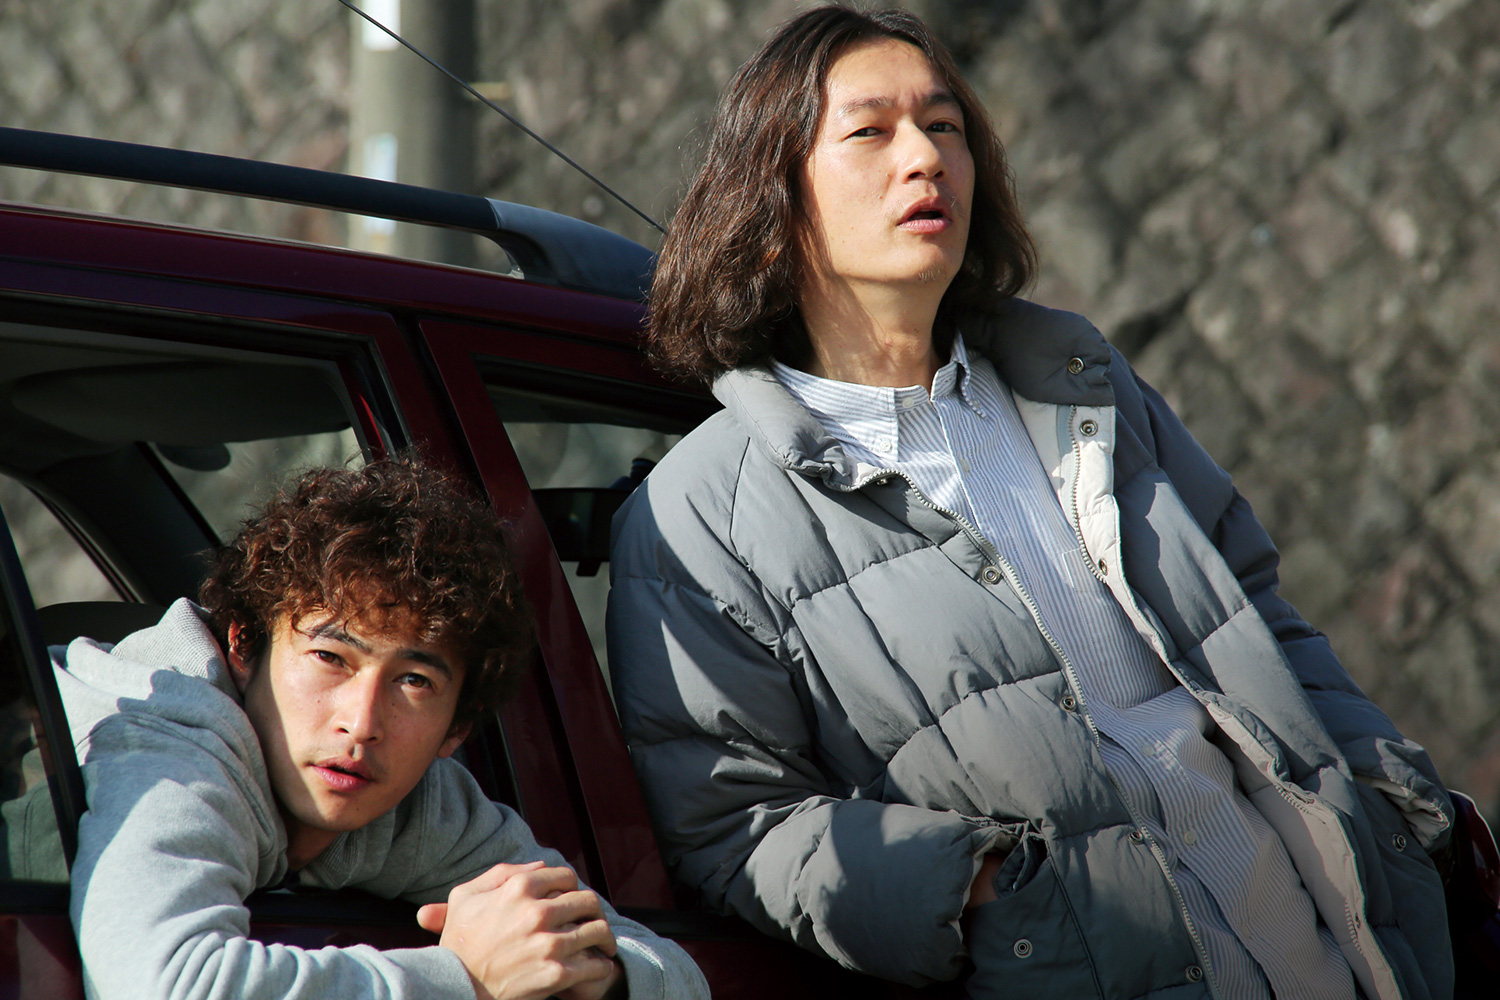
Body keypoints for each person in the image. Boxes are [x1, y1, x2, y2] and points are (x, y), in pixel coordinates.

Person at [606, 5, 1454, 999]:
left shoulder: (1080, 385)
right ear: (773, 195)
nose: (925, 157)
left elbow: (1257, 614)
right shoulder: (702, 515)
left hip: (1334, 946)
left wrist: (1389, 789)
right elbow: (731, 823)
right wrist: (983, 892)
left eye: (945, 125)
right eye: (871, 131)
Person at [45, 457, 708, 1000]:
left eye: (413, 681)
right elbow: (162, 986)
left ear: (457, 730)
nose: (361, 725)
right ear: (243, 646)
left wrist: (596, 975)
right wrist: (468, 980)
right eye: (331, 658)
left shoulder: (419, 806)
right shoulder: (162, 738)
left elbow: (668, 972)